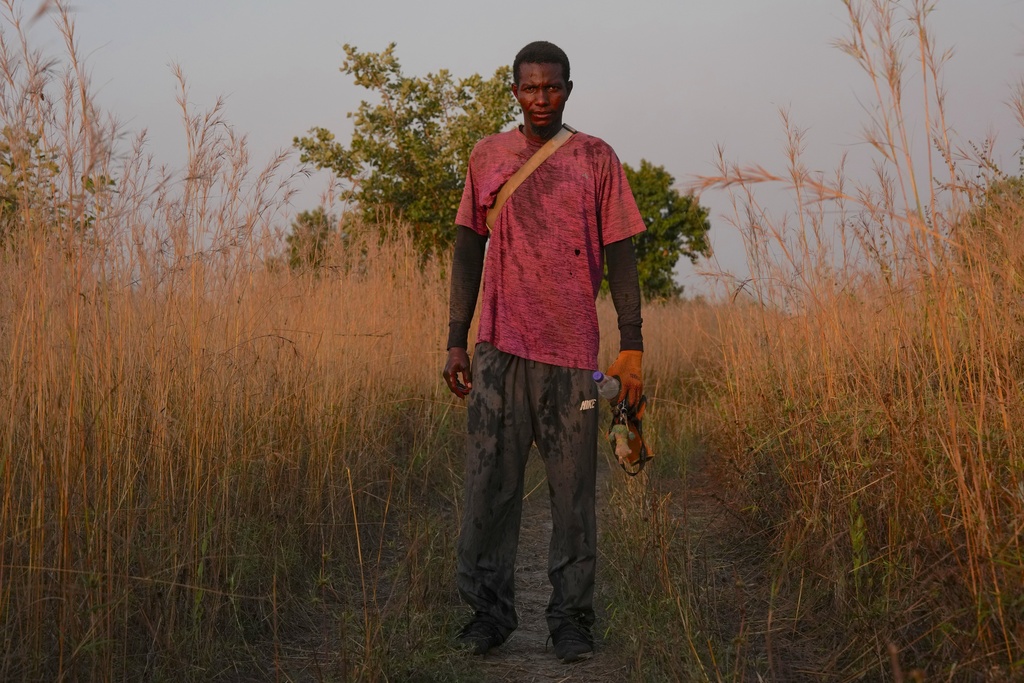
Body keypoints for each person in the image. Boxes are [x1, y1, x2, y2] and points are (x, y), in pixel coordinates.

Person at [442, 40, 646, 663]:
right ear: (513, 91)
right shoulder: (488, 156)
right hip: (498, 348)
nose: (540, 98)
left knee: (573, 495)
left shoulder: (596, 158)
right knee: (490, 489)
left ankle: (571, 621)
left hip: (571, 354)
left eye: (551, 87)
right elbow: (467, 247)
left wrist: (631, 343)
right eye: (529, 88)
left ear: (568, 89)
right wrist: (456, 337)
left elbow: (621, 253)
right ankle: (488, 616)